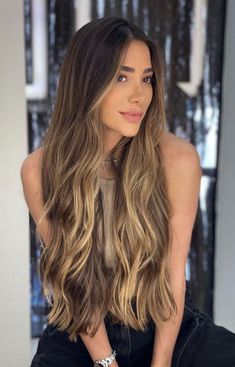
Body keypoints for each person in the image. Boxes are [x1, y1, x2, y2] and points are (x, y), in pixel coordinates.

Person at [21, 17, 235, 367]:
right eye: (122, 77)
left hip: (165, 320)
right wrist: (107, 362)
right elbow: (78, 286)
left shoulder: (177, 159)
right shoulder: (40, 171)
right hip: (81, 328)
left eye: (146, 79)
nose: (140, 95)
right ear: (88, 82)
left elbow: (171, 276)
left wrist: (161, 363)